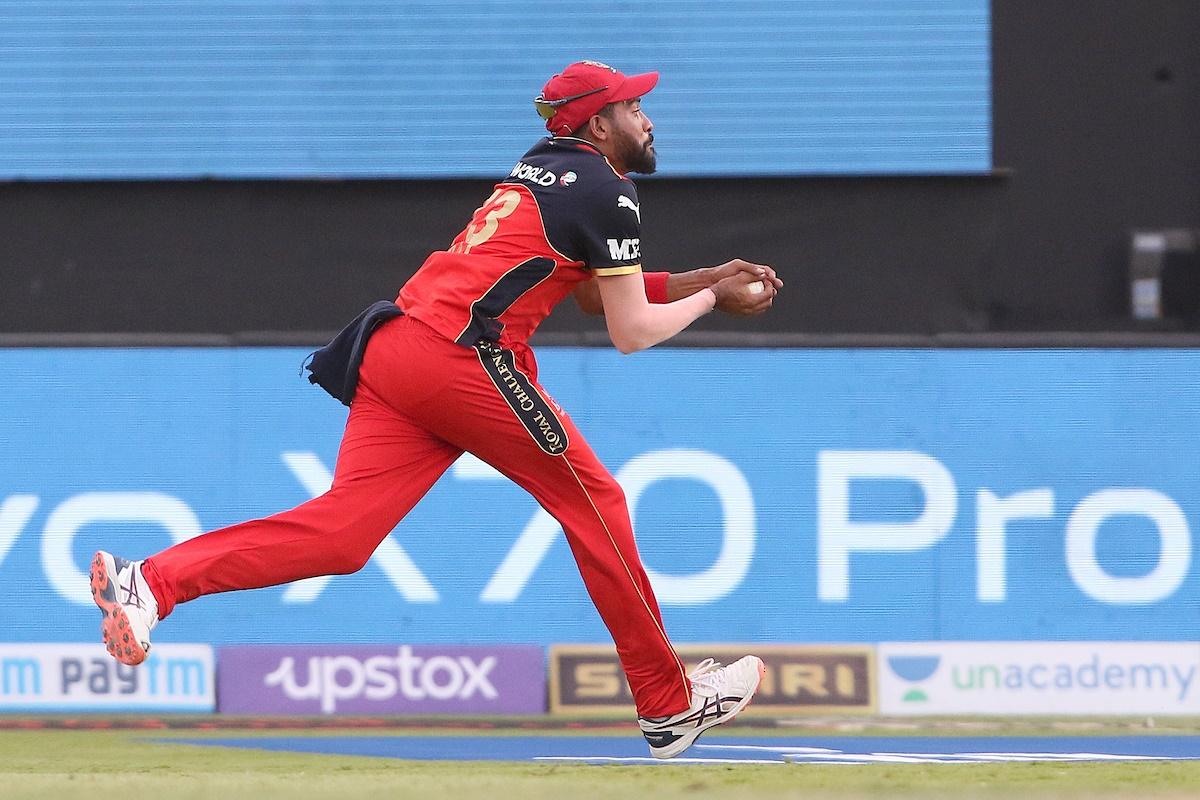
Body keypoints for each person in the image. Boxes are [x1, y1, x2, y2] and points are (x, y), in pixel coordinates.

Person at [90, 60, 783, 759]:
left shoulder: (548, 163)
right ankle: (666, 704)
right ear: (600, 123)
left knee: (341, 537)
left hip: (397, 347)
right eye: (635, 108)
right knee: (595, 501)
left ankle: (149, 582)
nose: (649, 118)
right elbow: (629, 330)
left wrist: (706, 276)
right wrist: (711, 299)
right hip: (463, 357)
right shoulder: (608, 188)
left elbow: (591, 289)